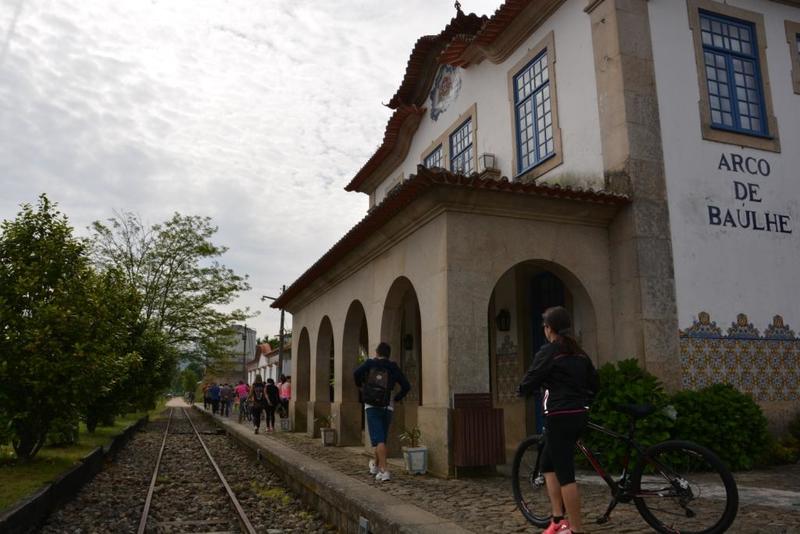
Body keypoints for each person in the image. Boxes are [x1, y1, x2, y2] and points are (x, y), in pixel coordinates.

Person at [517, 306, 598, 534]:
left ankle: (576, 529)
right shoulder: (580, 352)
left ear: (549, 328)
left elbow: (533, 376)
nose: (544, 329)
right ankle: (557, 519)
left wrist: (521, 390)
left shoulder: (549, 351)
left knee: (565, 474)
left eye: (544, 326)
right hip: (578, 414)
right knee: (547, 465)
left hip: (559, 417)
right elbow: (595, 383)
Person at [353, 342, 411, 482]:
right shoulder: (393, 367)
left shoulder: (369, 363)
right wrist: (397, 398)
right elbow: (406, 386)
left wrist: (361, 386)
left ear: (377, 352)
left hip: (371, 405)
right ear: (388, 354)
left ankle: (384, 470)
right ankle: (375, 465)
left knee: (378, 439)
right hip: (387, 406)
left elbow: (356, 374)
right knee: (381, 439)